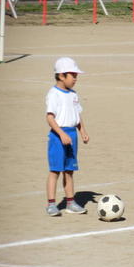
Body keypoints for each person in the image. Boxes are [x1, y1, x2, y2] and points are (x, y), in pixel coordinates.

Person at [45, 57, 89, 216]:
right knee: (55, 170)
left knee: (69, 170)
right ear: (61, 75)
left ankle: (70, 202)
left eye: (76, 76)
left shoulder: (73, 94)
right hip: (58, 136)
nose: (76, 79)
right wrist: (61, 133)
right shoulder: (54, 94)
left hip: (72, 136)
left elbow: (77, 115)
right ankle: (51, 204)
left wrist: (82, 131)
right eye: (73, 75)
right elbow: (50, 118)